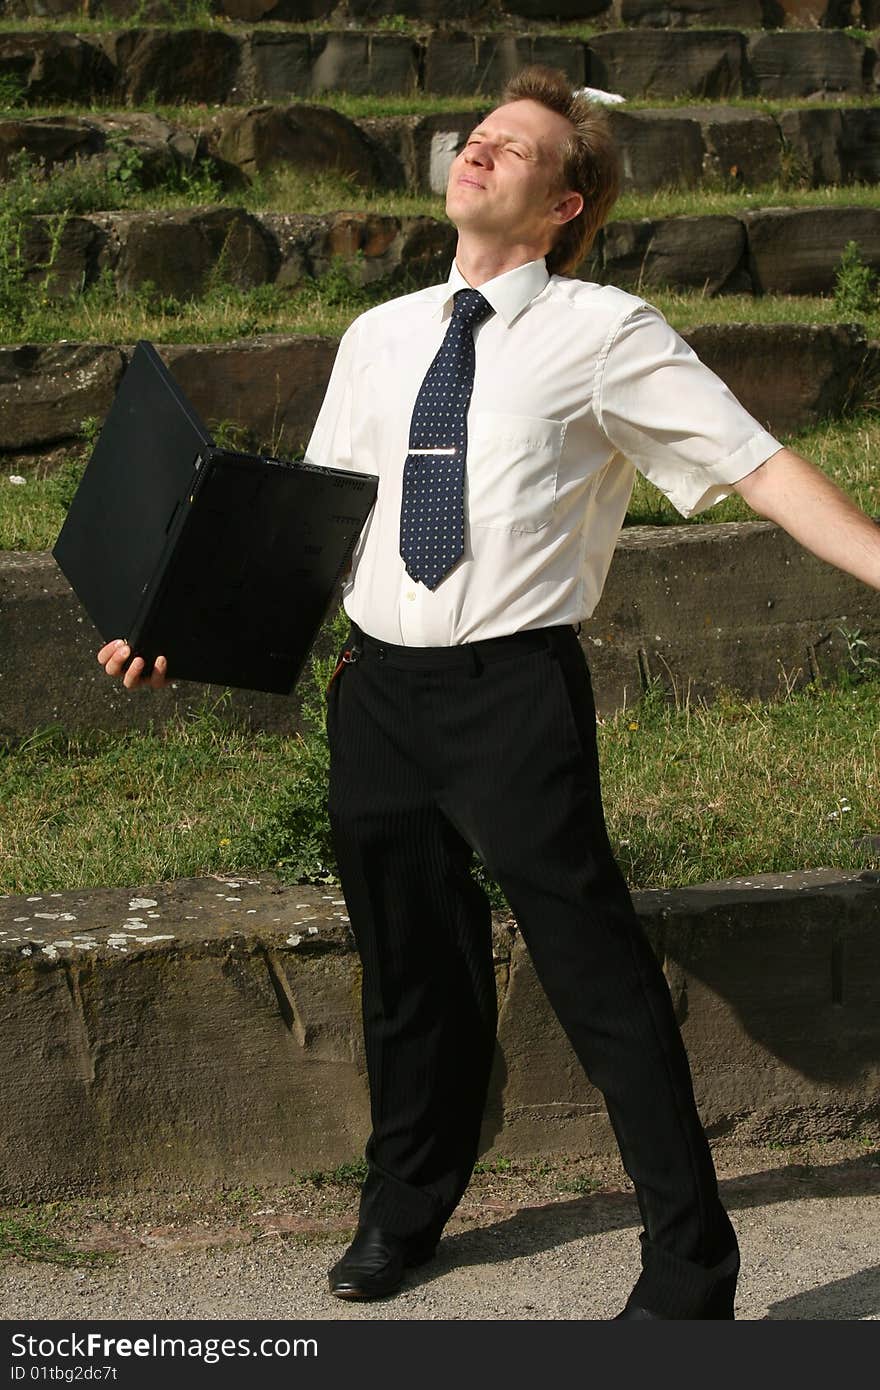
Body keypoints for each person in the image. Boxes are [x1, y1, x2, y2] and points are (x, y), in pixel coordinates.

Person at [98, 66, 880, 1319]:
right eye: (476, 136)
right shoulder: (379, 334)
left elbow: (758, 465)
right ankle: (403, 1211)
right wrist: (175, 631)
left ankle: (689, 1274)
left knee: (599, 978)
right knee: (412, 969)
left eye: (513, 148)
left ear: (565, 203)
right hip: (378, 692)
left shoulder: (606, 332)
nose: (480, 152)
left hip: (511, 693)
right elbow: (312, 526)